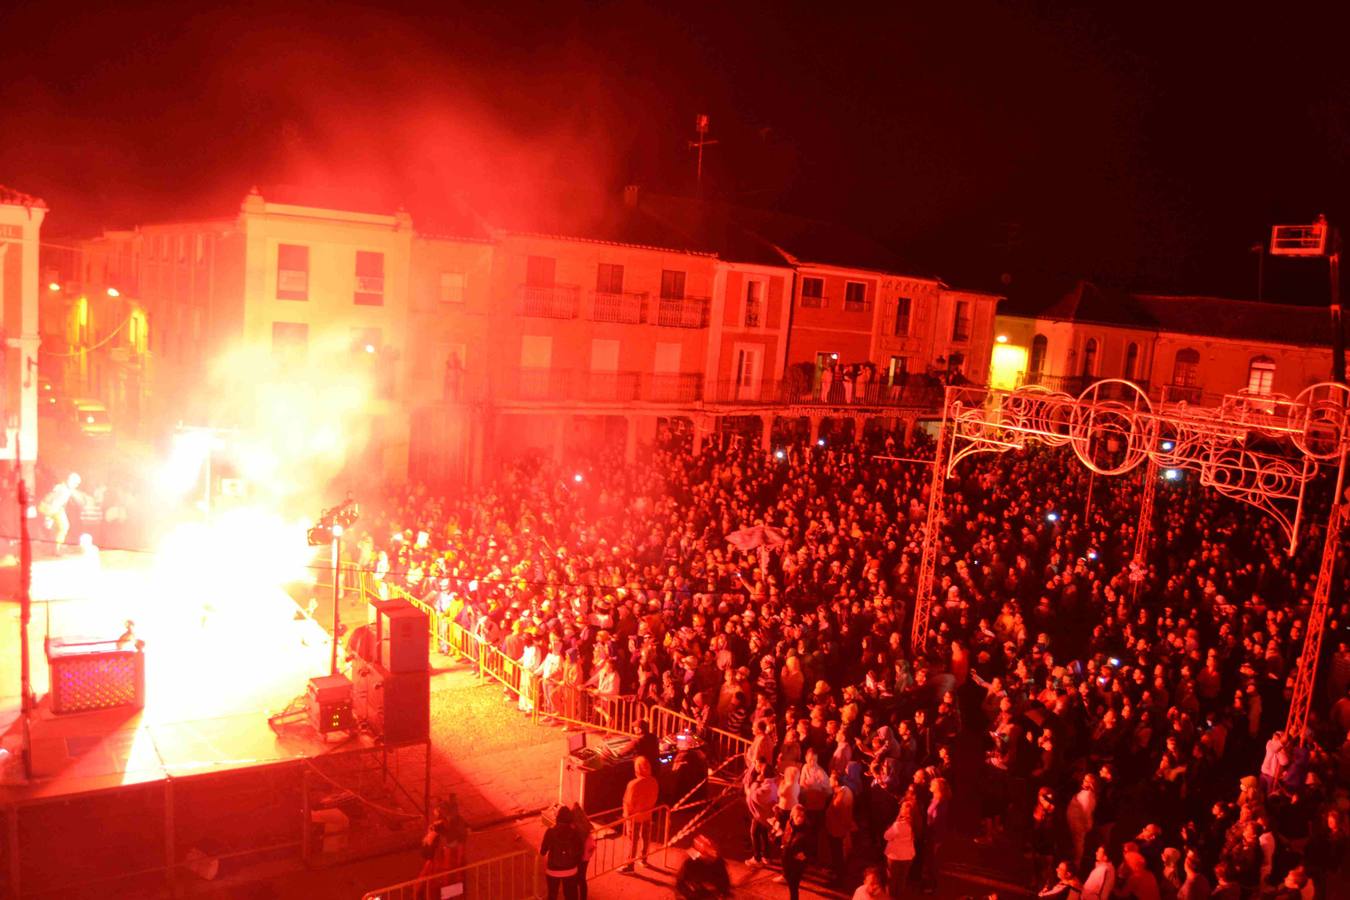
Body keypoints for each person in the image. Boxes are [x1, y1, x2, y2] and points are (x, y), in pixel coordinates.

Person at [418, 797, 467, 900]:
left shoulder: (442, 832)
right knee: (450, 893)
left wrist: (429, 837)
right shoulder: (455, 829)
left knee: (437, 893)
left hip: (442, 870)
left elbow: (427, 852)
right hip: (450, 869)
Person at [617, 756, 659, 872]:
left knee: (633, 841)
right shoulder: (654, 781)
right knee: (646, 838)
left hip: (634, 817)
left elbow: (628, 802)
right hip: (647, 815)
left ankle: (630, 865)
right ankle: (643, 859)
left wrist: (626, 816)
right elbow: (655, 798)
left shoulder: (633, 784)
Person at [540, 805, 583, 900]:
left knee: (552, 895)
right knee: (571, 896)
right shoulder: (576, 833)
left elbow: (543, 851)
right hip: (571, 870)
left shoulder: (550, 832)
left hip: (553, 870)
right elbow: (580, 851)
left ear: (558, 817)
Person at [37, 472, 86, 550]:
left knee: (62, 527)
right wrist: (48, 518)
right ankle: (55, 548)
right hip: (49, 508)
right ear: (69, 480)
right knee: (61, 527)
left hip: (54, 509)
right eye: (75, 483)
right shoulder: (62, 490)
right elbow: (52, 503)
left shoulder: (66, 489)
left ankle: (56, 547)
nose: (76, 485)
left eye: (77, 484)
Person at [674, 834, 731, 899]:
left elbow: (725, 884)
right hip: (693, 895)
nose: (711, 855)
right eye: (707, 852)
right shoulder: (690, 863)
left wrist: (719, 892)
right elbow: (680, 884)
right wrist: (694, 889)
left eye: (713, 851)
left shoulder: (719, 863)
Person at [883, 798, 918, 899]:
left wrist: (891, 827)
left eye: (902, 808)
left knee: (891, 881)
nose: (900, 809)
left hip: (895, 856)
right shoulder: (914, 823)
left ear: (905, 811)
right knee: (902, 880)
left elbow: (886, 836)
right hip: (908, 856)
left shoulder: (898, 825)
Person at [780, 804, 812, 900]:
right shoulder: (789, 824)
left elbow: (812, 847)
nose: (800, 819)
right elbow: (784, 839)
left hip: (798, 863)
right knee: (791, 883)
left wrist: (805, 854)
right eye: (797, 816)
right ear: (792, 816)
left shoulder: (807, 829)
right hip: (786, 860)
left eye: (802, 816)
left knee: (794, 885)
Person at [570, 804, 596, 900]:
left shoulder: (574, 825)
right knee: (582, 878)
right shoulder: (585, 822)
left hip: (581, 853)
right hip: (588, 852)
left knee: (577, 878)